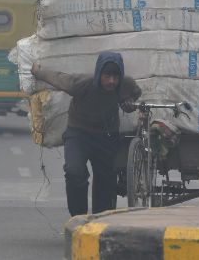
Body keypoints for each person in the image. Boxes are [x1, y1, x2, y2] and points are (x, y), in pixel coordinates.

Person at [31, 52, 142, 216]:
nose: (111, 81)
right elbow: (59, 78)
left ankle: (100, 221)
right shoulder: (82, 84)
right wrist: (37, 70)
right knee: (74, 172)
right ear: (99, 75)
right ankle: (78, 217)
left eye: (115, 77)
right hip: (79, 134)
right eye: (107, 76)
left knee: (105, 180)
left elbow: (135, 94)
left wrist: (128, 103)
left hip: (107, 136)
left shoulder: (126, 84)